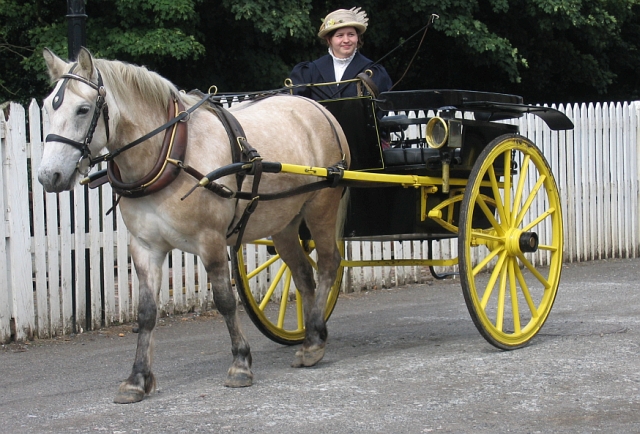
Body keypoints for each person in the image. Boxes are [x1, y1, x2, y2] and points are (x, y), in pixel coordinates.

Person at [289, 7, 393, 101]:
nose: (346, 40)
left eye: (351, 34)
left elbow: (379, 108)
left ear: (357, 38)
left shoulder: (373, 72)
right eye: (340, 35)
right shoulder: (310, 71)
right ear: (329, 40)